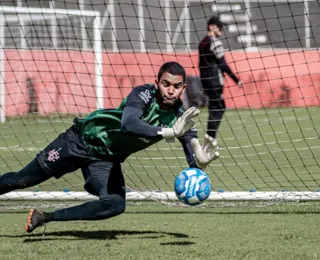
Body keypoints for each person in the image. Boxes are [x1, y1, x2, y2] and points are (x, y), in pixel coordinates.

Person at [0, 62, 220, 233]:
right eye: (165, 84)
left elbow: (193, 162)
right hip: (80, 140)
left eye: (176, 86)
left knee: (115, 204)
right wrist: (168, 132)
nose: (170, 90)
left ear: (183, 88)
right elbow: (129, 123)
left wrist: (200, 163)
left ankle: (45, 217)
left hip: (105, 159)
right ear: (157, 83)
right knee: (24, 179)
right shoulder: (143, 94)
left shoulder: (183, 119)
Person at [199, 16, 243, 140]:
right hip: (215, 81)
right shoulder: (215, 43)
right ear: (212, 27)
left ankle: (210, 137)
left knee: (218, 106)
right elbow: (223, 64)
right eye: (219, 26)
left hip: (206, 81)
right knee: (216, 108)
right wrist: (236, 79)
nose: (222, 30)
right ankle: (210, 138)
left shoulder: (203, 42)